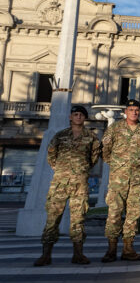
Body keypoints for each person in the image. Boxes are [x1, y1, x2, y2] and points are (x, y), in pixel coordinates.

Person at [35, 105, 101, 266]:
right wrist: (61, 170)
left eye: (81, 115)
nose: (78, 117)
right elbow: (51, 155)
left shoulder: (91, 137)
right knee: (53, 218)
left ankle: (78, 254)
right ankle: (46, 255)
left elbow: (93, 158)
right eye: (75, 114)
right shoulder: (60, 136)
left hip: (80, 184)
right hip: (60, 184)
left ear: (85, 118)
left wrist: (81, 170)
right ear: (70, 117)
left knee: (78, 219)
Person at [101, 99, 140, 262]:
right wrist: (118, 165)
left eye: (137, 110)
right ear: (126, 112)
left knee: (133, 213)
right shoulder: (115, 128)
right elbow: (105, 150)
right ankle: (111, 249)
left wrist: (138, 166)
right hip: (118, 179)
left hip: (137, 180)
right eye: (131, 109)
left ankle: (128, 248)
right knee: (114, 212)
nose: (134, 112)